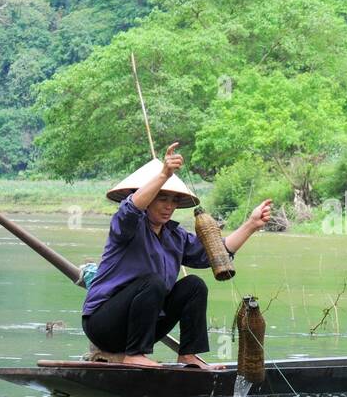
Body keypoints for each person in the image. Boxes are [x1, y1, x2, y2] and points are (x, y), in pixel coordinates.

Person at [82, 142, 272, 369]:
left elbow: (215, 254)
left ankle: (188, 355)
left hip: (144, 327)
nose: (169, 206)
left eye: (173, 201)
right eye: (162, 198)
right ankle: (135, 355)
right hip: (104, 326)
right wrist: (164, 174)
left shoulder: (175, 236)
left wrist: (251, 225)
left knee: (194, 285)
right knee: (153, 282)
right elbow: (131, 208)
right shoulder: (127, 225)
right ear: (148, 197)